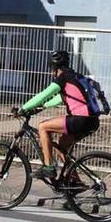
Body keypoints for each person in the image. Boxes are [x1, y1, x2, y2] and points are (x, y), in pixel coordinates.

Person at [13, 50, 100, 180]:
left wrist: (23, 108)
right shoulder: (75, 77)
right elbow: (61, 98)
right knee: (62, 147)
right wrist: (42, 107)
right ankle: (74, 180)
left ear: (53, 68)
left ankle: (49, 168)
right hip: (92, 121)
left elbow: (45, 94)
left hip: (80, 119)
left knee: (43, 127)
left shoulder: (63, 77)